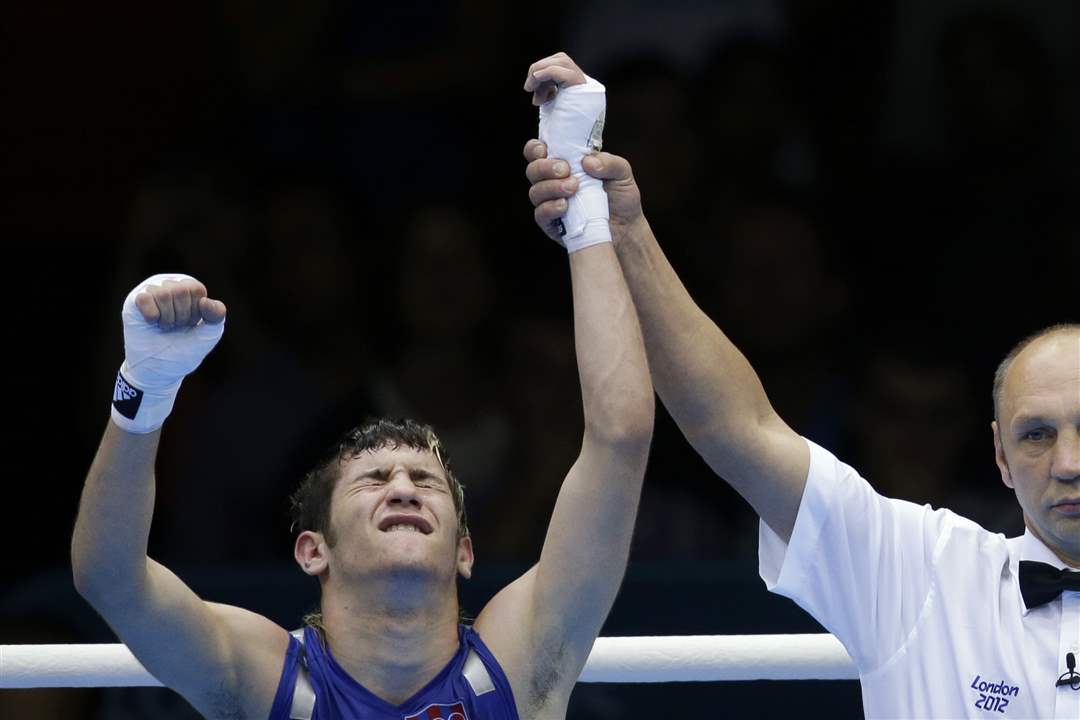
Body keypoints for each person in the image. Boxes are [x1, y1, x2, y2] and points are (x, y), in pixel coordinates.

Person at [71, 65, 654, 720]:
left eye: (425, 483)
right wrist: (144, 393)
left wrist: (583, 205)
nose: (404, 487)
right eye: (373, 481)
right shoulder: (263, 679)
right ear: (312, 548)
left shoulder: (523, 662)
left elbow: (619, 437)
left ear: (465, 550)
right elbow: (110, 579)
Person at [524, 52, 1079, 719]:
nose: (1069, 463)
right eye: (1038, 434)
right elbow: (738, 429)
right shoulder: (925, 573)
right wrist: (616, 225)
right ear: (999, 457)